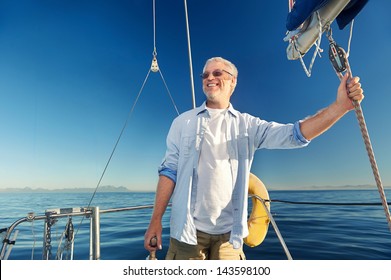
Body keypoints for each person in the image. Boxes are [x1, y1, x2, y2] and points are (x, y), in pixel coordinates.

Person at [144, 57, 364, 260]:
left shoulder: (248, 126)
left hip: (230, 239)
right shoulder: (182, 123)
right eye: (205, 74)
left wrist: (340, 107)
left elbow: (294, 134)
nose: (210, 78)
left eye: (218, 73)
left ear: (233, 82)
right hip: (186, 234)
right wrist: (156, 220)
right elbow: (169, 171)